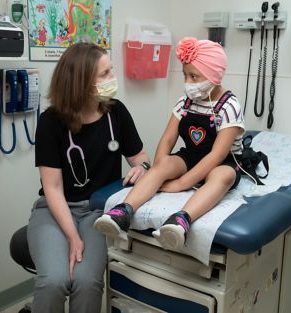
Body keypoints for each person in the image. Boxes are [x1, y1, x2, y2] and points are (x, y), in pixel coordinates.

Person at [27, 42, 150, 313]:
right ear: (81, 82)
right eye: (104, 74)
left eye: (111, 70)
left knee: (86, 281)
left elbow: (139, 156)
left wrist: (143, 167)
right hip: (54, 210)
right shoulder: (51, 122)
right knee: (54, 281)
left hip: (98, 212)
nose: (112, 79)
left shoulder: (115, 112)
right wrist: (73, 237)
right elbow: (53, 188)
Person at [94, 37, 245, 251]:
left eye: (194, 76)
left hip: (223, 161)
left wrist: (180, 184)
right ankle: (123, 211)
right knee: (165, 164)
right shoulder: (185, 102)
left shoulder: (229, 106)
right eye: (185, 75)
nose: (188, 83)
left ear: (214, 74)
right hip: (192, 156)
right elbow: (167, 139)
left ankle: (181, 220)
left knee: (224, 176)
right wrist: (159, 170)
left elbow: (217, 155)